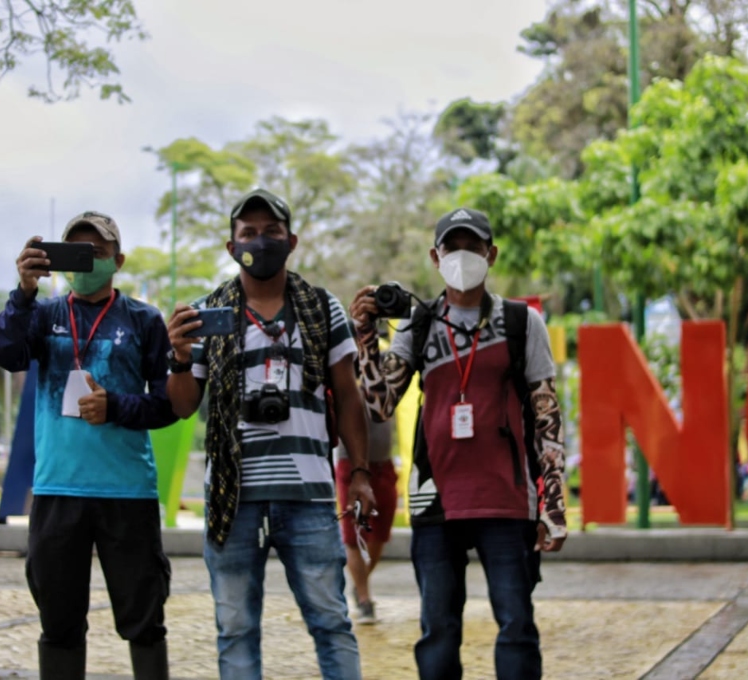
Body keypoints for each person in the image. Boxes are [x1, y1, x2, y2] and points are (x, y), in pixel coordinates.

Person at [348, 207, 568, 680]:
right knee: (438, 631)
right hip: (436, 502)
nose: (462, 255)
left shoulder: (521, 322)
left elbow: (547, 415)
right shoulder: (418, 324)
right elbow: (379, 404)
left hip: (508, 501)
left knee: (516, 626)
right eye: (453, 247)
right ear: (435, 255)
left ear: (491, 254)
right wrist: (366, 337)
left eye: (473, 246)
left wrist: (553, 501)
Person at [166, 188, 376, 680]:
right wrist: (177, 355)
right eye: (249, 234)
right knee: (236, 628)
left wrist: (360, 472)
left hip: (308, 498)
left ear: (292, 240)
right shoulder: (206, 315)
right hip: (231, 500)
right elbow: (182, 406)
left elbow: (348, 397)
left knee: (331, 622)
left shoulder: (323, 309)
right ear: (231, 246)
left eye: (272, 233)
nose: (260, 242)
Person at [0, 210, 177, 680]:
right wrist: (24, 291)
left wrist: (115, 407)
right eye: (75, 252)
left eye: (97, 252)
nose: (87, 261)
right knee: (59, 622)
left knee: (145, 621)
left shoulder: (144, 320)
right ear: (58, 260)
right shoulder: (43, 315)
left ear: (119, 259)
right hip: (57, 491)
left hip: (127, 492)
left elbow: (168, 406)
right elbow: (4, 354)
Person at [334, 336, 398, 626]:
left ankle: (359, 583)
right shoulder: (344, 380)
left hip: (384, 466)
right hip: (351, 467)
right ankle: (363, 597)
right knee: (353, 533)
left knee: (380, 534)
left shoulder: (388, 379)